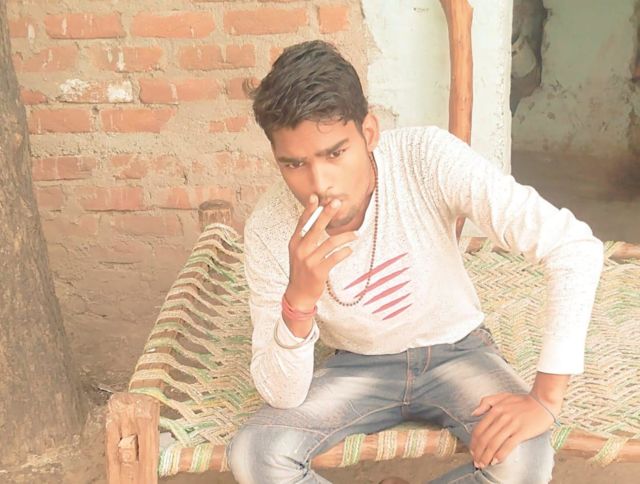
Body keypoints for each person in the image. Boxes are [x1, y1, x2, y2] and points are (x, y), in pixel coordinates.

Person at [226, 40, 604, 484]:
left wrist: (545, 400)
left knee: (524, 459)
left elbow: (574, 247)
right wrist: (298, 303)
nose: (319, 183)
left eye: (335, 153)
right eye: (294, 164)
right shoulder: (270, 227)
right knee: (255, 454)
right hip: (355, 364)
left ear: (369, 132)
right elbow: (282, 394)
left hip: (456, 351)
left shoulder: (426, 158)